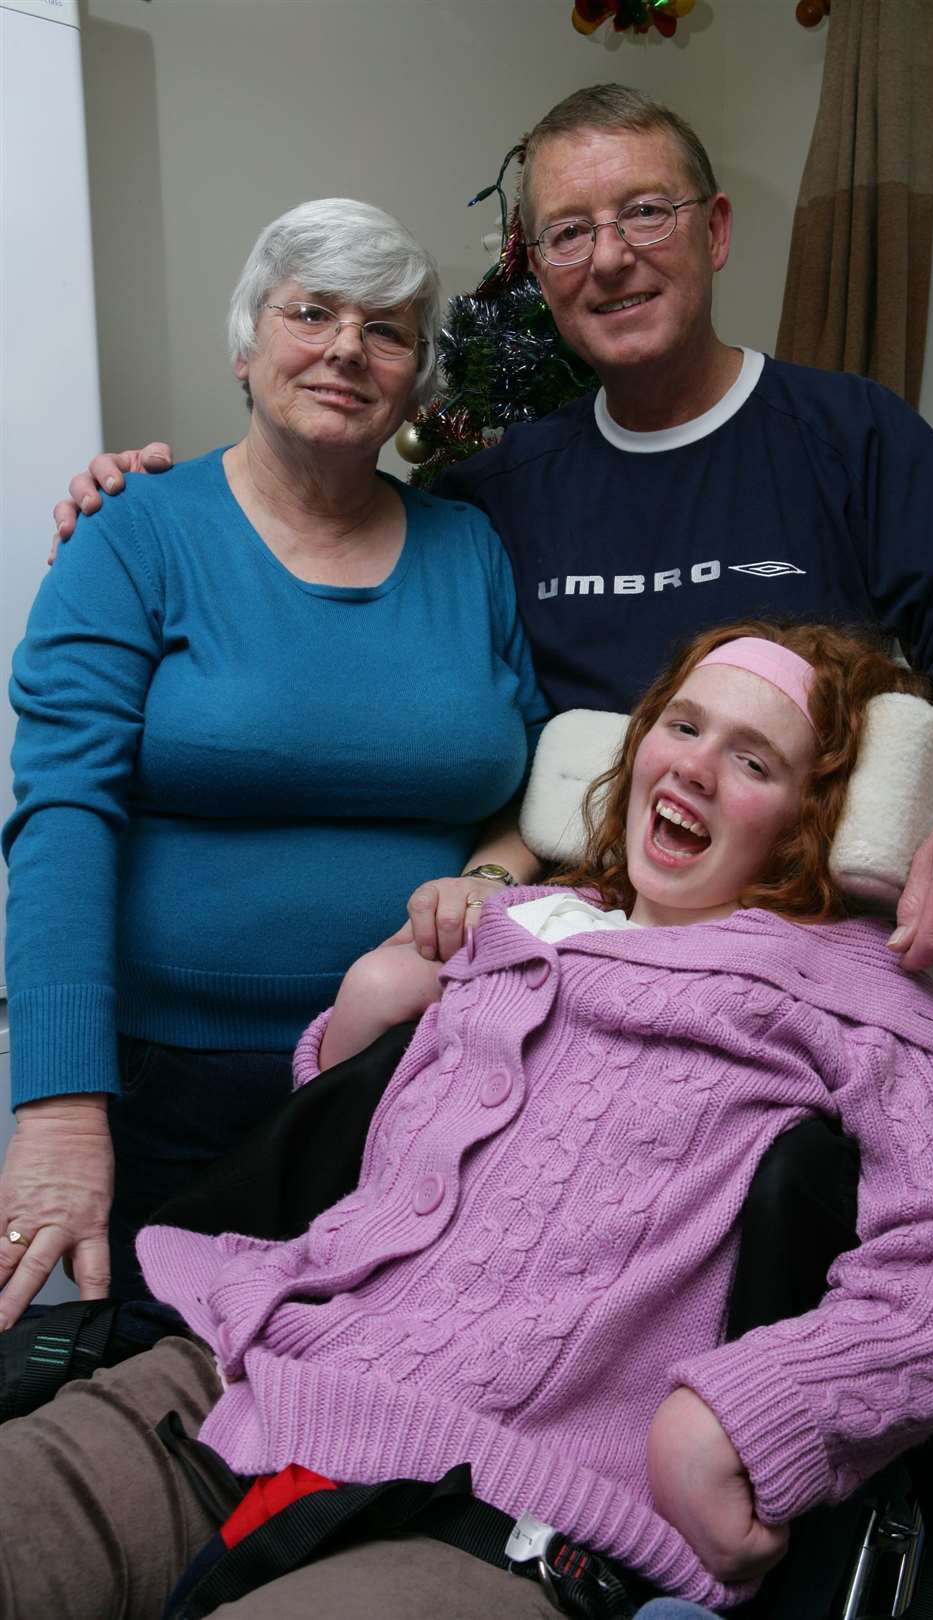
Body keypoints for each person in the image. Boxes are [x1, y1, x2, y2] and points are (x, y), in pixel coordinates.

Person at [0, 622, 933, 1620]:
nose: (695, 768)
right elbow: (364, 1156)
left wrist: (741, 1419)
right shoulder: (527, 923)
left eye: (751, 759)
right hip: (264, 1368)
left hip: (512, 1493)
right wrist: (360, 1012)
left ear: (809, 817)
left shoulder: (863, 1002)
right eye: (681, 725)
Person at [52, 85, 933, 979]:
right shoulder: (489, 497)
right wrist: (136, 496)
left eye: (646, 212)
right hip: (561, 981)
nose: (612, 258)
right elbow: (317, 533)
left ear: (714, 230)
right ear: (538, 273)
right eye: (569, 233)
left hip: (798, 970)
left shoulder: (851, 435)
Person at [0, 198, 548, 1328]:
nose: (349, 347)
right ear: (248, 349)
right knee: (164, 1415)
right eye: (314, 312)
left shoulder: (469, 548)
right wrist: (57, 1102)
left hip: (422, 1072)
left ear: (415, 379)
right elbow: (61, 813)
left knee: (373, 1433)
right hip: (174, 1087)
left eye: (388, 329)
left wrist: (489, 886)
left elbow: (524, 795)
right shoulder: (136, 531)